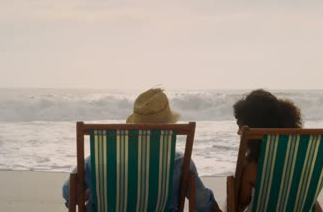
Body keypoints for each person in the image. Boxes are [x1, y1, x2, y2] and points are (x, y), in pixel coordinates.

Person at [62, 88, 221, 212]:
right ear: (168, 127)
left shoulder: (99, 161)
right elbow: (201, 202)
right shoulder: (179, 162)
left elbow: (69, 193)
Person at [233, 89, 322, 211]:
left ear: (255, 130)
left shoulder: (253, 168)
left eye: (240, 127)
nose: (238, 132)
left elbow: (240, 204)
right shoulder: (304, 160)